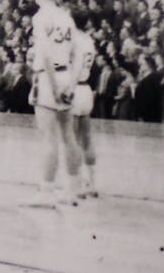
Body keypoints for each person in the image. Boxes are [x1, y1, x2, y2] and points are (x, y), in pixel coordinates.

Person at [21, 0, 81, 208]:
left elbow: (44, 54)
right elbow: (76, 53)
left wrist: (55, 86)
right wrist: (70, 84)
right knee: (68, 135)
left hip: (48, 78)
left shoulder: (40, 17)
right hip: (66, 74)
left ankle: (46, 191)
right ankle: (72, 190)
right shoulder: (66, 17)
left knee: (48, 137)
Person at [69, 11, 99, 198]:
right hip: (86, 89)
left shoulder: (73, 41)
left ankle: (76, 185)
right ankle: (92, 183)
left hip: (73, 88)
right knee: (86, 139)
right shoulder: (89, 40)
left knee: (71, 140)